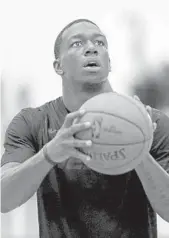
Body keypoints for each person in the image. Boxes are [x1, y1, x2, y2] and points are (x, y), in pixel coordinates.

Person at [1, 19, 169, 238]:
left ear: (109, 63)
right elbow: (3, 199)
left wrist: (141, 154)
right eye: (77, 44)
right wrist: (49, 154)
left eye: (100, 43)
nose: (91, 48)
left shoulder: (151, 123)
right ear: (58, 66)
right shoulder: (33, 122)